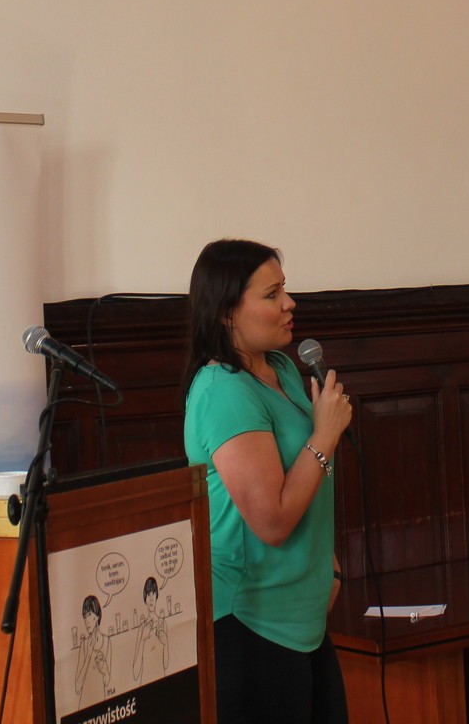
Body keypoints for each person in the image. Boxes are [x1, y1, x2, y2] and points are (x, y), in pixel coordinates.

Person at [182, 239, 353, 724]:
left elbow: (305, 480)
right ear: (226, 313)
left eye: (285, 289)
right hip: (251, 624)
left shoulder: (280, 368)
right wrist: (325, 435)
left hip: (304, 617)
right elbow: (273, 521)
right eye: (271, 294)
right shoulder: (223, 391)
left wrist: (328, 568)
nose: (289, 303)